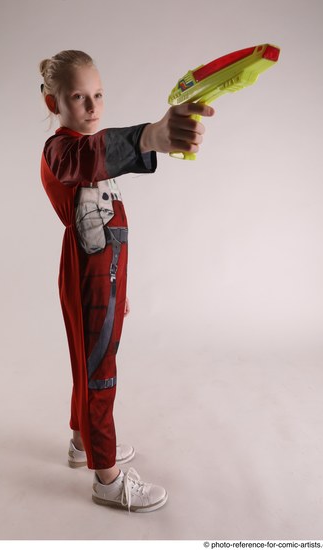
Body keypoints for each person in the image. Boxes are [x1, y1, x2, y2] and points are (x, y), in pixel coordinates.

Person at [39, 49, 214, 513]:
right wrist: (151, 134)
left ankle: (83, 443)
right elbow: (88, 158)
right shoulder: (63, 149)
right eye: (78, 97)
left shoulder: (90, 148)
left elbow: (106, 188)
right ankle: (107, 479)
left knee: (88, 360)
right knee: (100, 372)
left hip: (104, 278)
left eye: (98, 95)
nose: (93, 107)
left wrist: (119, 289)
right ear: (51, 103)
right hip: (86, 274)